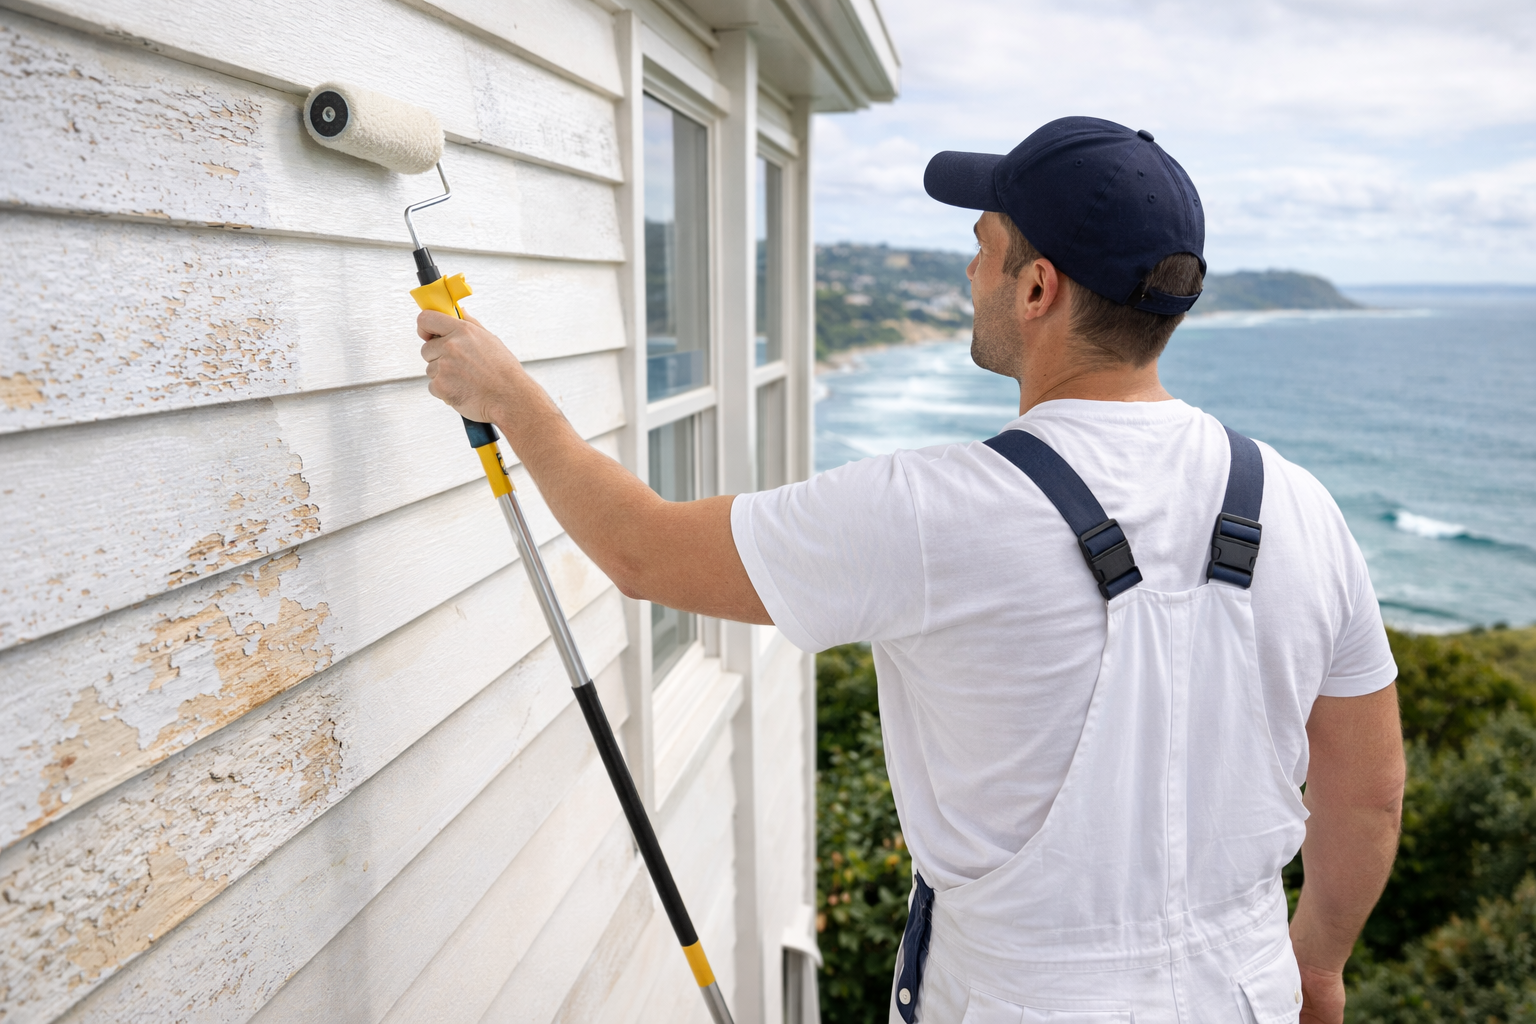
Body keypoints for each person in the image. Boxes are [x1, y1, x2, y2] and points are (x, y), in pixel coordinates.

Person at [416, 116, 1405, 1024]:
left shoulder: (937, 511)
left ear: (1036, 287)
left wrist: (511, 400)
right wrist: (1315, 966)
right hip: (1247, 993)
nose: (967, 274)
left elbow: (641, 550)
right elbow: (1369, 792)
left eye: (982, 249)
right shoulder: (1301, 505)